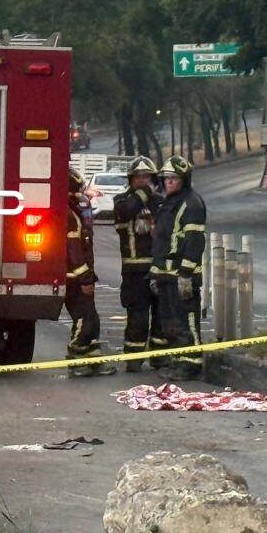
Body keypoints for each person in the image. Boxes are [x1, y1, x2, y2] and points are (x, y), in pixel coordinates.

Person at [148, 156, 207, 381]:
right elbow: (161, 242)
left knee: (186, 319)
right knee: (169, 322)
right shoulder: (167, 204)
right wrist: (155, 273)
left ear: (184, 179)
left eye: (174, 179)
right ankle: (177, 360)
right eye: (166, 179)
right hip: (165, 276)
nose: (169, 183)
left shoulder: (192, 203)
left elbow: (194, 241)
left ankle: (190, 363)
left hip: (182, 276)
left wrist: (186, 274)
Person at [111, 156, 163, 372]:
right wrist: (145, 193)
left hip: (159, 269)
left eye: (147, 176)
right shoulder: (122, 201)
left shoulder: (161, 202)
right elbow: (126, 211)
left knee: (161, 316)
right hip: (134, 272)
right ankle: (133, 359)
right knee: (138, 317)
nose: (142, 180)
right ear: (131, 179)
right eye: (138, 177)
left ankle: (160, 358)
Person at [64, 168, 115, 377]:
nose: (84, 196)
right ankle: (76, 358)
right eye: (80, 191)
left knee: (92, 318)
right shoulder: (69, 215)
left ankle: (92, 357)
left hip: (81, 276)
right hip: (74, 279)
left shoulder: (75, 212)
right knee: (84, 318)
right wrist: (85, 278)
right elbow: (73, 251)